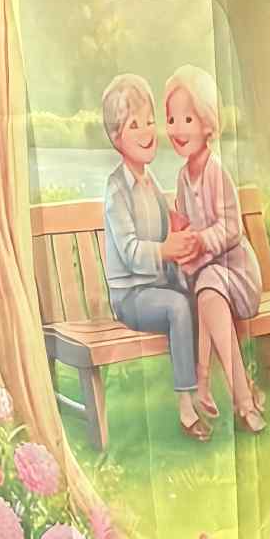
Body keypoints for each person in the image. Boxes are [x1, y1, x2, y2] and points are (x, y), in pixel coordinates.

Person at [98, 74, 206, 441]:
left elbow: (164, 227)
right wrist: (164, 249)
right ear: (116, 137)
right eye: (134, 125)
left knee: (202, 296)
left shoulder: (151, 183)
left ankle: (209, 385)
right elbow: (130, 252)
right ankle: (186, 406)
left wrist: (180, 229)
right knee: (177, 307)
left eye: (149, 122)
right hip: (131, 295)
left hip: (159, 283)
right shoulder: (117, 189)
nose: (147, 132)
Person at [163, 65, 265, 436]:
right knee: (206, 290)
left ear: (207, 123)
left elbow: (231, 228)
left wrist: (201, 241)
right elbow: (190, 230)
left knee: (208, 287)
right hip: (209, 278)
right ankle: (240, 400)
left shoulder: (216, 173)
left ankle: (211, 382)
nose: (177, 128)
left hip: (238, 276)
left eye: (188, 119)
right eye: (171, 119)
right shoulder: (181, 177)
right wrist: (182, 237)